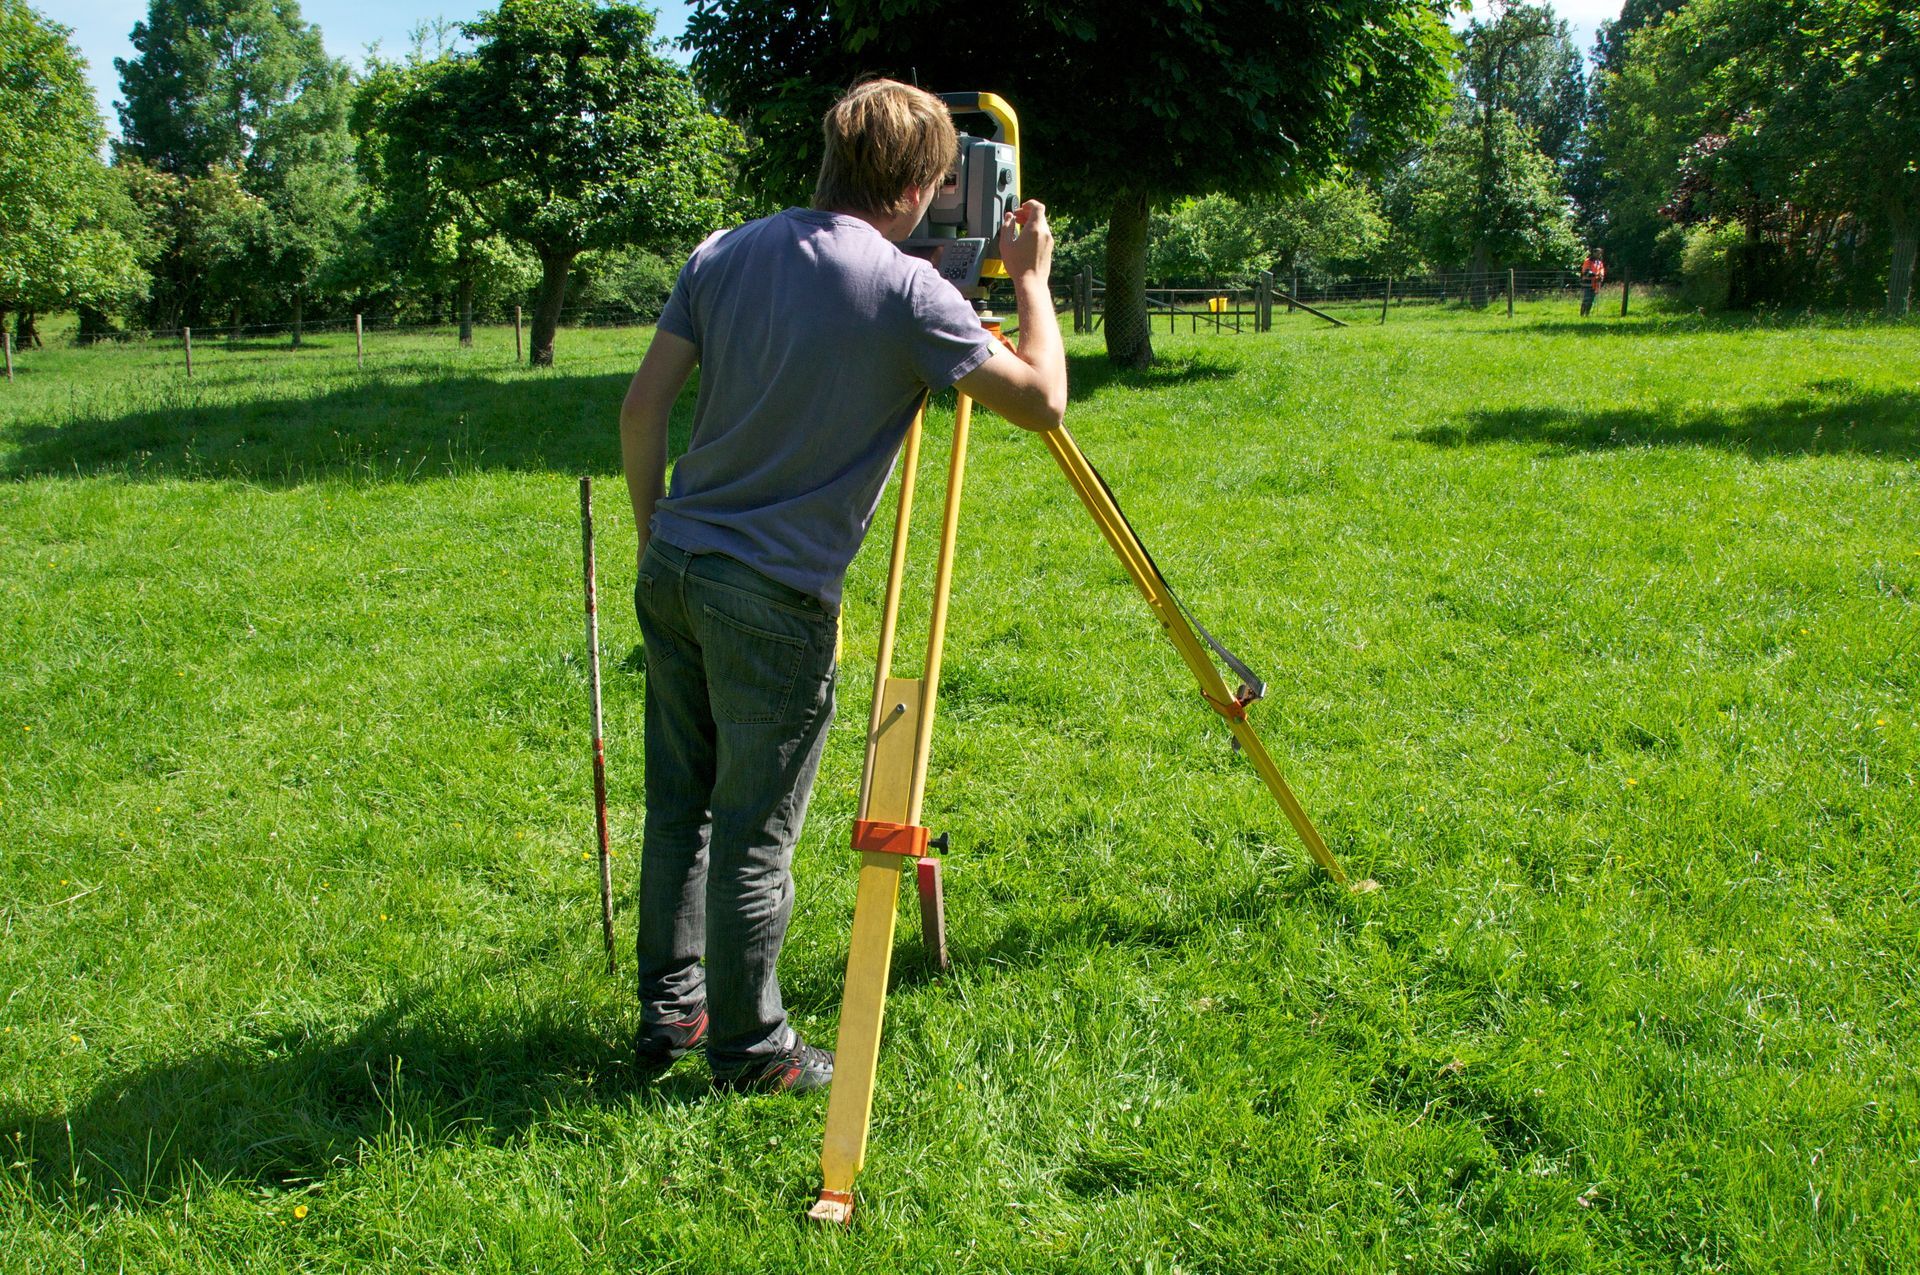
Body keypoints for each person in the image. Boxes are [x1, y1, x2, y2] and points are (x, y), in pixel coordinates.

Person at [617, 79, 1068, 1094]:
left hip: (677, 564)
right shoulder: (911, 296)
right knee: (754, 831)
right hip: (771, 598)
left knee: (679, 809)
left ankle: (670, 1014)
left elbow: (642, 411)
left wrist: (659, 543)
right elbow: (1042, 403)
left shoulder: (722, 251)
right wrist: (1029, 281)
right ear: (916, 187)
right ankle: (751, 1050)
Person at [1580, 248, 1606, 316]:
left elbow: (1601, 270)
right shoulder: (1588, 261)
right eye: (1597, 253)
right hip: (1587, 282)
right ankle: (1582, 314)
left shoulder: (1600, 263)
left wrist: (1601, 276)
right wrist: (1596, 275)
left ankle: (1587, 314)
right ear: (1593, 253)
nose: (1598, 255)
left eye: (1600, 253)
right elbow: (1586, 272)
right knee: (1586, 299)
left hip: (1595, 283)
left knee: (1591, 300)